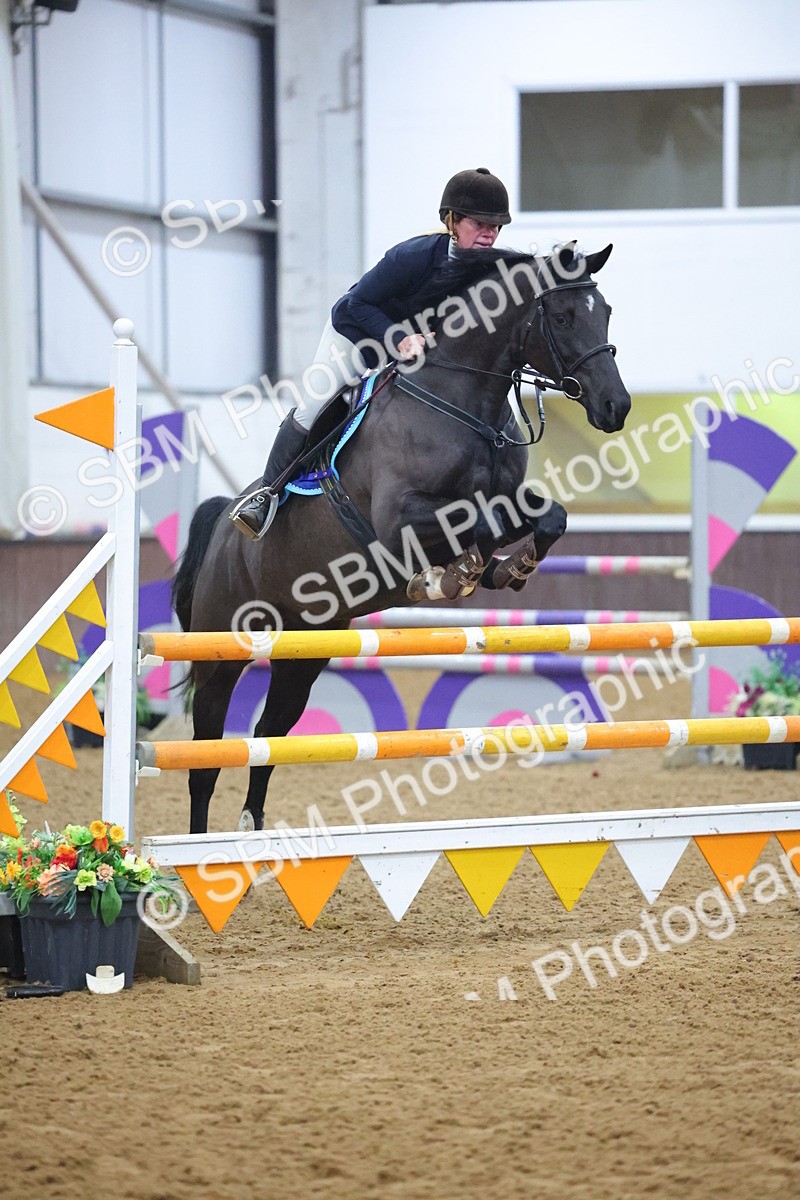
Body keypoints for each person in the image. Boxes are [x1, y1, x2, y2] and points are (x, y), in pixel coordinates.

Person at [230, 167, 512, 539]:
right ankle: (267, 494)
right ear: (453, 221)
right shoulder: (411, 257)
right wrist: (399, 337)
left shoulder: (492, 268)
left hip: (416, 354)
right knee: (314, 405)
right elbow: (353, 306)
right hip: (357, 338)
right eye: (480, 223)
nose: (489, 233)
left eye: (496, 225)